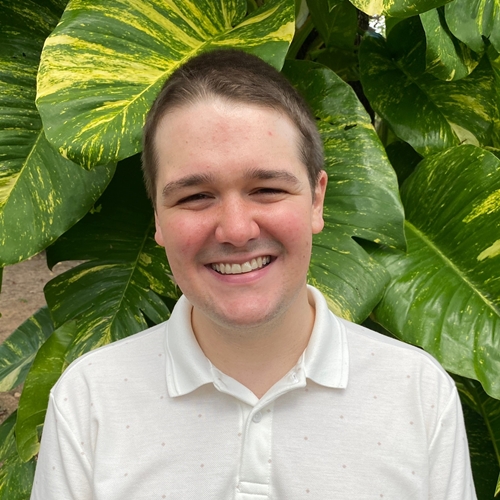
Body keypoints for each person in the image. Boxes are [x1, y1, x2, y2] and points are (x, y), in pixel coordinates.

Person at [31, 49, 476, 499]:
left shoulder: (417, 393)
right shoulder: (89, 401)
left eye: (266, 189)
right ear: (158, 219)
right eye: (195, 197)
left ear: (317, 200)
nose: (237, 230)